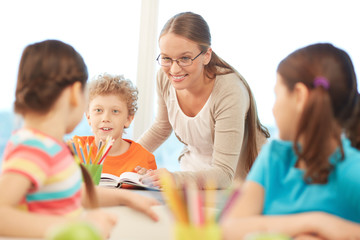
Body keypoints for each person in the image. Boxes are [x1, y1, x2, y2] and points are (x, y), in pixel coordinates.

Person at [0, 40, 159, 239]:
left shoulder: (53, 147)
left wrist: (125, 197)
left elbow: (74, 192)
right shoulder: (33, 147)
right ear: (76, 94)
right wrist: (80, 228)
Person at [221, 43, 360, 239]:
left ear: (300, 96)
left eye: (277, 95)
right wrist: (316, 222)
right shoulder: (274, 157)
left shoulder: (353, 170)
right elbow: (229, 228)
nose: (273, 108)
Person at [136, 12, 270, 189]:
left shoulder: (229, 91)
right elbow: (161, 127)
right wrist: (126, 156)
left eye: (185, 58)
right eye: (167, 58)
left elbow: (223, 174)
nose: (174, 69)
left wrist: (174, 179)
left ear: (206, 55)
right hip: (194, 181)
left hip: (238, 187)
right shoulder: (163, 77)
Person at [73, 73, 157, 178]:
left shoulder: (144, 159)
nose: (106, 118)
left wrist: (148, 182)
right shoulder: (76, 149)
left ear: (128, 119)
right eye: (98, 110)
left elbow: (151, 192)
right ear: (89, 117)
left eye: (115, 111)